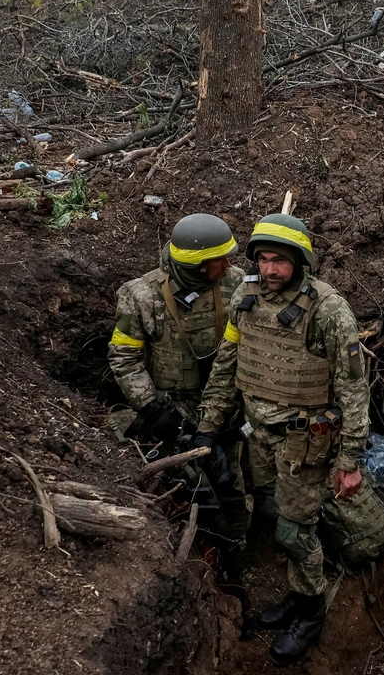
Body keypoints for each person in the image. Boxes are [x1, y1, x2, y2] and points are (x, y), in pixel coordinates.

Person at [194, 213, 368, 666]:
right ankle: (296, 596)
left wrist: (350, 461)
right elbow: (227, 364)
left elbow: (353, 390)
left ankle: (310, 612)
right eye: (264, 260)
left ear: (300, 261)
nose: (270, 270)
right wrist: (209, 426)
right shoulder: (244, 298)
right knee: (275, 515)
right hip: (258, 436)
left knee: (295, 528)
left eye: (280, 261)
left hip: (303, 443)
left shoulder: (329, 310)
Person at [106, 213, 250, 584]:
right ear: (198, 267)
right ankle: (199, 550)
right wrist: (151, 407)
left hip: (224, 402)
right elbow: (124, 357)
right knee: (188, 483)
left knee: (229, 477)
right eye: (220, 259)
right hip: (171, 405)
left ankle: (238, 543)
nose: (229, 264)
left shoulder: (237, 285)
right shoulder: (141, 295)